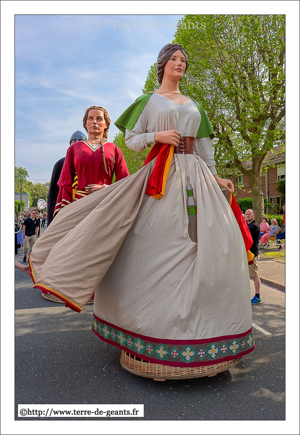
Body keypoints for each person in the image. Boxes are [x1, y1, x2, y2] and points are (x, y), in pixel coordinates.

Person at [28, 43, 254, 374]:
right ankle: (149, 329)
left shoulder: (195, 105)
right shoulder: (147, 102)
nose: (180, 63)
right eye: (174, 59)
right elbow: (132, 140)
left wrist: (217, 177)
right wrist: (156, 135)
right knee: (152, 246)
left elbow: (205, 150)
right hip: (162, 176)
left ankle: (206, 331)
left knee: (218, 246)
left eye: (183, 60)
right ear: (162, 65)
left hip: (197, 177)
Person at [53, 107, 129, 217]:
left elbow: (124, 181)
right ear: (85, 123)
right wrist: (65, 211)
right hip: (79, 206)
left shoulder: (114, 149)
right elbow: (65, 181)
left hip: (106, 204)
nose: (94, 122)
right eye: (90, 118)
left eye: (99, 119)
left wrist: (105, 188)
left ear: (106, 124)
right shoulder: (74, 148)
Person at [47, 131, 87, 226]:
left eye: (80, 141)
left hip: (84, 208)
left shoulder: (90, 163)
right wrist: (51, 220)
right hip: (65, 209)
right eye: (73, 141)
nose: (77, 143)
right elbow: (53, 194)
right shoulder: (60, 164)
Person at [245, 209, 261, 304]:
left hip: (252, 255)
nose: (247, 216)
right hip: (247, 254)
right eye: (246, 214)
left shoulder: (254, 226)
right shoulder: (248, 225)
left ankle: (257, 295)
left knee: (254, 275)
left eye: (249, 214)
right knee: (248, 275)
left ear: (253, 215)